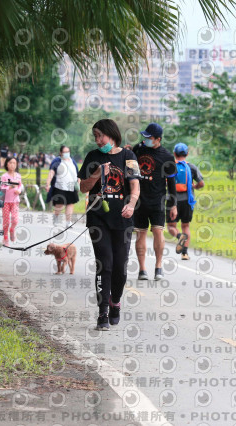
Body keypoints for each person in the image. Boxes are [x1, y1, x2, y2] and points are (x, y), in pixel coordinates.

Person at [79, 118, 140, 331]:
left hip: (123, 219)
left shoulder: (129, 156)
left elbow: (135, 187)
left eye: (99, 136)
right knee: (104, 263)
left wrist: (131, 204)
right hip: (98, 218)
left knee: (120, 268)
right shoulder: (92, 157)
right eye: (94, 136)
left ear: (111, 134)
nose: (97, 140)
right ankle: (103, 311)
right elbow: (83, 188)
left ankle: (116, 302)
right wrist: (96, 174)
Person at [132, 123, 178, 280]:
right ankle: (142, 269)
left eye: (149, 138)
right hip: (139, 200)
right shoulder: (138, 150)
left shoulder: (167, 157)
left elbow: (171, 183)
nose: (145, 140)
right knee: (141, 234)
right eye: (144, 137)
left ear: (158, 139)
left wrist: (173, 204)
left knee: (158, 232)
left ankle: (158, 267)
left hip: (157, 200)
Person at [166, 143, 204, 260]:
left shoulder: (169, 166)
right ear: (187, 154)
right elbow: (201, 183)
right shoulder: (191, 167)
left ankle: (179, 236)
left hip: (173, 201)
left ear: (174, 154)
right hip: (188, 200)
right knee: (185, 226)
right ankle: (185, 254)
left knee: (171, 226)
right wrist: (194, 187)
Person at [46, 145, 80, 227]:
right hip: (60, 187)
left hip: (71, 187)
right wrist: (47, 184)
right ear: (60, 153)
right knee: (59, 204)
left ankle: (68, 222)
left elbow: (77, 174)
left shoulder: (72, 161)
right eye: (64, 152)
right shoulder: (57, 161)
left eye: (68, 152)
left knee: (70, 204)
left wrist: (78, 183)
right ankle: (56, 218)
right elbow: (51, 173)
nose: (66, 153)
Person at [0, 157, 24, 244]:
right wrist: (9, 187)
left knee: (15, 219)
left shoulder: (18, 176)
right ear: (7, 164)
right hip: (6, 201)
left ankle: (12, 229)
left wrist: (19, 190)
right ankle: (5, 238)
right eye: (10, 163)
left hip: (15, 201)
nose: (12, 165)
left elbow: (20, 185)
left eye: (14, 163)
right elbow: (1, 189)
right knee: (6, 221)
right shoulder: (4, 176)